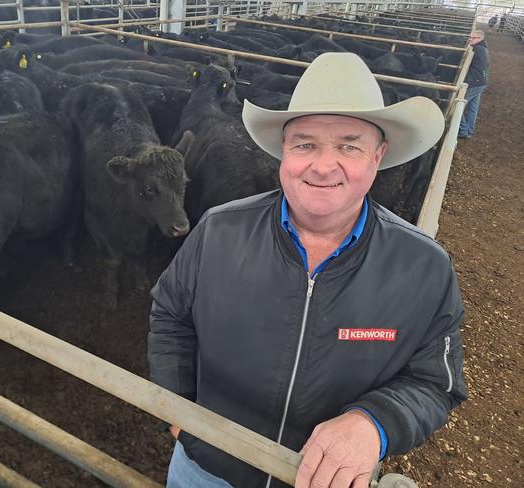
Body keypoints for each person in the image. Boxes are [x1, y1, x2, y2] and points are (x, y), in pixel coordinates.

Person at [148, 52, 468, 488]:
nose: (322, 165)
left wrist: (374, 421)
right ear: (284, 151)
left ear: (378, 156)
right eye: (305, 144)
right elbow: (169, 314)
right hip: (205, 470)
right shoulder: (218, 230)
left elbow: (436, 382)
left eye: (348, 146)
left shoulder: (424, 267)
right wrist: (179, 410)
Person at [459, 30, 489, 139]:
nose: (470, 39)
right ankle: (469, 130)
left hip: (474, 82)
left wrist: (466, 81)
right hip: (482, 81)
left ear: (480, 39)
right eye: (470, 37)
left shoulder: (475, 50)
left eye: (473, 38)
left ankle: (463, 130)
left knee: (458, 105)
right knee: (473, 107)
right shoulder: (484, 49)